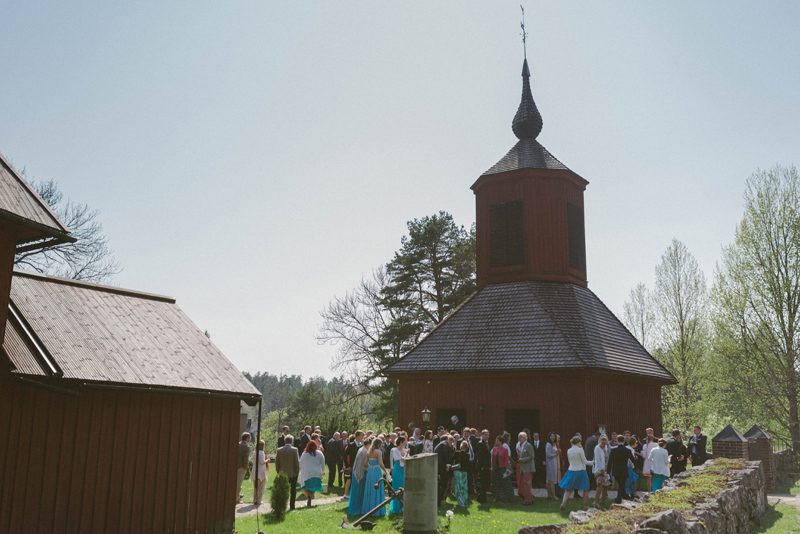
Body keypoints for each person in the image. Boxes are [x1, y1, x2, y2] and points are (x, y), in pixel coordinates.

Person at [559, 436, 593, 511]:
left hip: (571, 470)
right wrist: (593, 462)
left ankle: (563, 503)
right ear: (579, 442)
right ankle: (586, 506)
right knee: (585, 489)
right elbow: (585, 461)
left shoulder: (569, 450)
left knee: (568, 489)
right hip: (581, 470)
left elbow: (570, 461)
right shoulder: (580, 450)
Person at [362, 437, 389, 517]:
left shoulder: (368, 451)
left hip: (370, 471)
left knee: (370, 489)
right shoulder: (378, 452)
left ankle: (368, 509)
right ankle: (378, 510)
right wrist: (386, 471)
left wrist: (371, 466)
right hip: (377, 471)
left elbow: (365, 463)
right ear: (378, 444)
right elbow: (380, 463)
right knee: (378, 488)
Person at [607, 435, 635, 503]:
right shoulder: (627, 450)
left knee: (621, 484)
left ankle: (624, 496)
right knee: (622, 484)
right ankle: (619, 499)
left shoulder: (613, 450)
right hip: (624, 470)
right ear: (624, 441)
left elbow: (610, 462)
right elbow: (633, 460)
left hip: (615, 470)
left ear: (617, 441)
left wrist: (608, 472)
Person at [275, 434, 300, 510]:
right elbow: (297, 463)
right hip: (292, 473)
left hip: (282, 473)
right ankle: (292, 506)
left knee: (282, 490)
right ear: (292, 442)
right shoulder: (294, 450)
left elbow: (277, 462)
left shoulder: (279, 450)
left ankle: (282, 506)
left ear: (285, 441)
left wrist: (278, 471)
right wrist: (297, 472)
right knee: (293, 491)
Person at [348, 437, 371, 516]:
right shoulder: (365, 451)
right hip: (360, 474)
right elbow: (364, 464)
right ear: (369, 444)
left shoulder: (361, 449)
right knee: (359, 493)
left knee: (356, 493)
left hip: (356, 472)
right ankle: (358, 509)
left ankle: (355, 508)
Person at [299, 440, 325, 507]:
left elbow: (300, 463)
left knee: (303, 486)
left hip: (307, 473)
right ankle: (309, 499)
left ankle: (308, 497)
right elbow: (323, 462)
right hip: (316, 473)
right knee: (312, 488)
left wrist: (300, 471)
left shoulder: (304, 454)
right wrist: (323, 471)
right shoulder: (319, 453)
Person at [491, 435, 514, 502]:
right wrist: (492, 467)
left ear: (501, 442)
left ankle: (507, 497)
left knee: (505, 483)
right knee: (496, 483)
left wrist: (506, 468)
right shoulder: (494, 449)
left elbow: (506, 459)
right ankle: (496, 496)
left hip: (502, 468)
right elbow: (493, 459)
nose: (496, 442)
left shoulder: (504, 450)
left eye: (497, 441)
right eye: (496, 441)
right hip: (496, 468)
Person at [435, 435, 456, 506]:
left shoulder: (452, 448)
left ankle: (440, 499)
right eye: (449, 440)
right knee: (442, 484)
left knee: (444, 484)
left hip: (446, 467)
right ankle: (438, 501)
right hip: (442, 467)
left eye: (451, 440)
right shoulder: (444, 445)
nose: (450, 441)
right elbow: (445, 455)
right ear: (447, 440)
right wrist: (447, 465)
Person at [389, 436, 408, 514]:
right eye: (405, 441)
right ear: (401, 442)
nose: (406, 443)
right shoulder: (395, 450)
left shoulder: (404, 450)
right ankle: (396, 507)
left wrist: (406, 453)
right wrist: (406, 454)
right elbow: (402, 460)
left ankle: (403, 506)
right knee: (398, 487)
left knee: (404, 486)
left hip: (403, 470)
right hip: (397, 470)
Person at [517, 432, 536, 505]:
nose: (519, 439)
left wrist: (522, 460)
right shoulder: (522, 445)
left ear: (524, 438)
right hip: (523, 467)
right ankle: (530, 499)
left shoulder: (528, 445)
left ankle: (528, 501)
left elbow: (532, 456)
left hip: (528, 468)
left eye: (520, 437)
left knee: (526, 483)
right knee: (524, 483)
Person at [592, 434, 611, 508]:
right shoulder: (597, 448)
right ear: (599, 441)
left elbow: (606, 457)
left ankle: (602, 500)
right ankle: (596, 501)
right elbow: (597, 460)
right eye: (602, 443)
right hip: (600, 469)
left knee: (606, 485)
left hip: (605, 468)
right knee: (600, 485)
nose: (603, 445)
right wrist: (602, 470)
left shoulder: (605, 447)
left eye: (605, 444)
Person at [452, 441, 471, 507]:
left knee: (458, 487)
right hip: (464, 471)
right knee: (464, 487)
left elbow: (452, 460)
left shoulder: (456, 453)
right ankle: (464, 501)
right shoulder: (467, 455)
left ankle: (460, 502)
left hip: (457, 470)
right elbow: (468, 465)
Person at [475, 429, 492, 503]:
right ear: (482, 435)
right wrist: (481, 466)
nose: (487, 436)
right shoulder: (480, 443)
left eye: (488, 435)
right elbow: (479, 456)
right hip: (482, 466)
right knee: (483, 482)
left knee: (487, 482)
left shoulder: (486, 443)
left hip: (486, 466)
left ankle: (479, 497)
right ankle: (482, 499)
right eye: (485, 435)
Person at [237, 432, 251, 504]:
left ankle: (237, 495)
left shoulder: (238, 444)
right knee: (239, 483)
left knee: (236, 481)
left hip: (235, 466)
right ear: (247, 438)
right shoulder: (246, 447)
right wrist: (246, 468)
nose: (250, 439)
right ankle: (236, 499)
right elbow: (245, 459)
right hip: (241, 466)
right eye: (250, 437)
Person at [254, 440, 268, 505]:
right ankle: (259, 500)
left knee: (256, 487)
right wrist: (267, 460)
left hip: (255, 471)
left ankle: (255, 499)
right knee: (261, 486)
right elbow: (262, 462)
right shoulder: (261, 452)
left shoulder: (254, 452)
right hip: (261, 471)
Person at [545, 432, 559, 499]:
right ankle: (553, 495)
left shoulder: (554, 444)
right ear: (549, 437)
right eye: (551, 436)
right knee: (551, 480)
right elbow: (548, 455)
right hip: (550, 463)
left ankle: (549, 495)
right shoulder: (548, 445)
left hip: (553, 462)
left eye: (553, 436)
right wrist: (556, 454)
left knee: (549, 480)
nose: (552, 437)